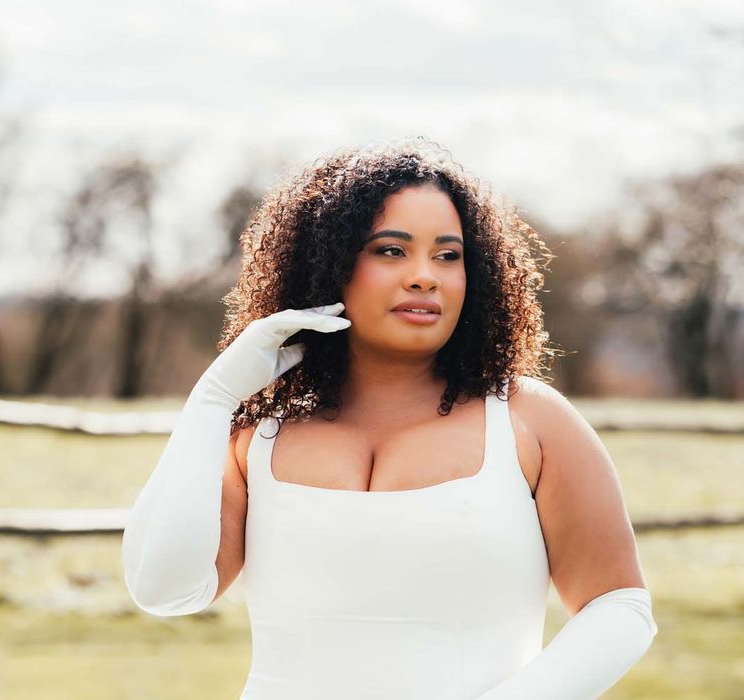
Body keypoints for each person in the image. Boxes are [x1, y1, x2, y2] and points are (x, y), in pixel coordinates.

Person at [122, 137, 658, 699]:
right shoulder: (257, 436)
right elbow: (164, 588)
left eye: (448, 256)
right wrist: (213, 398)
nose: (425, 276)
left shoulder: (531, 422)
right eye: (391, 250)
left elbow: (620, 607)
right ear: (328, 266)